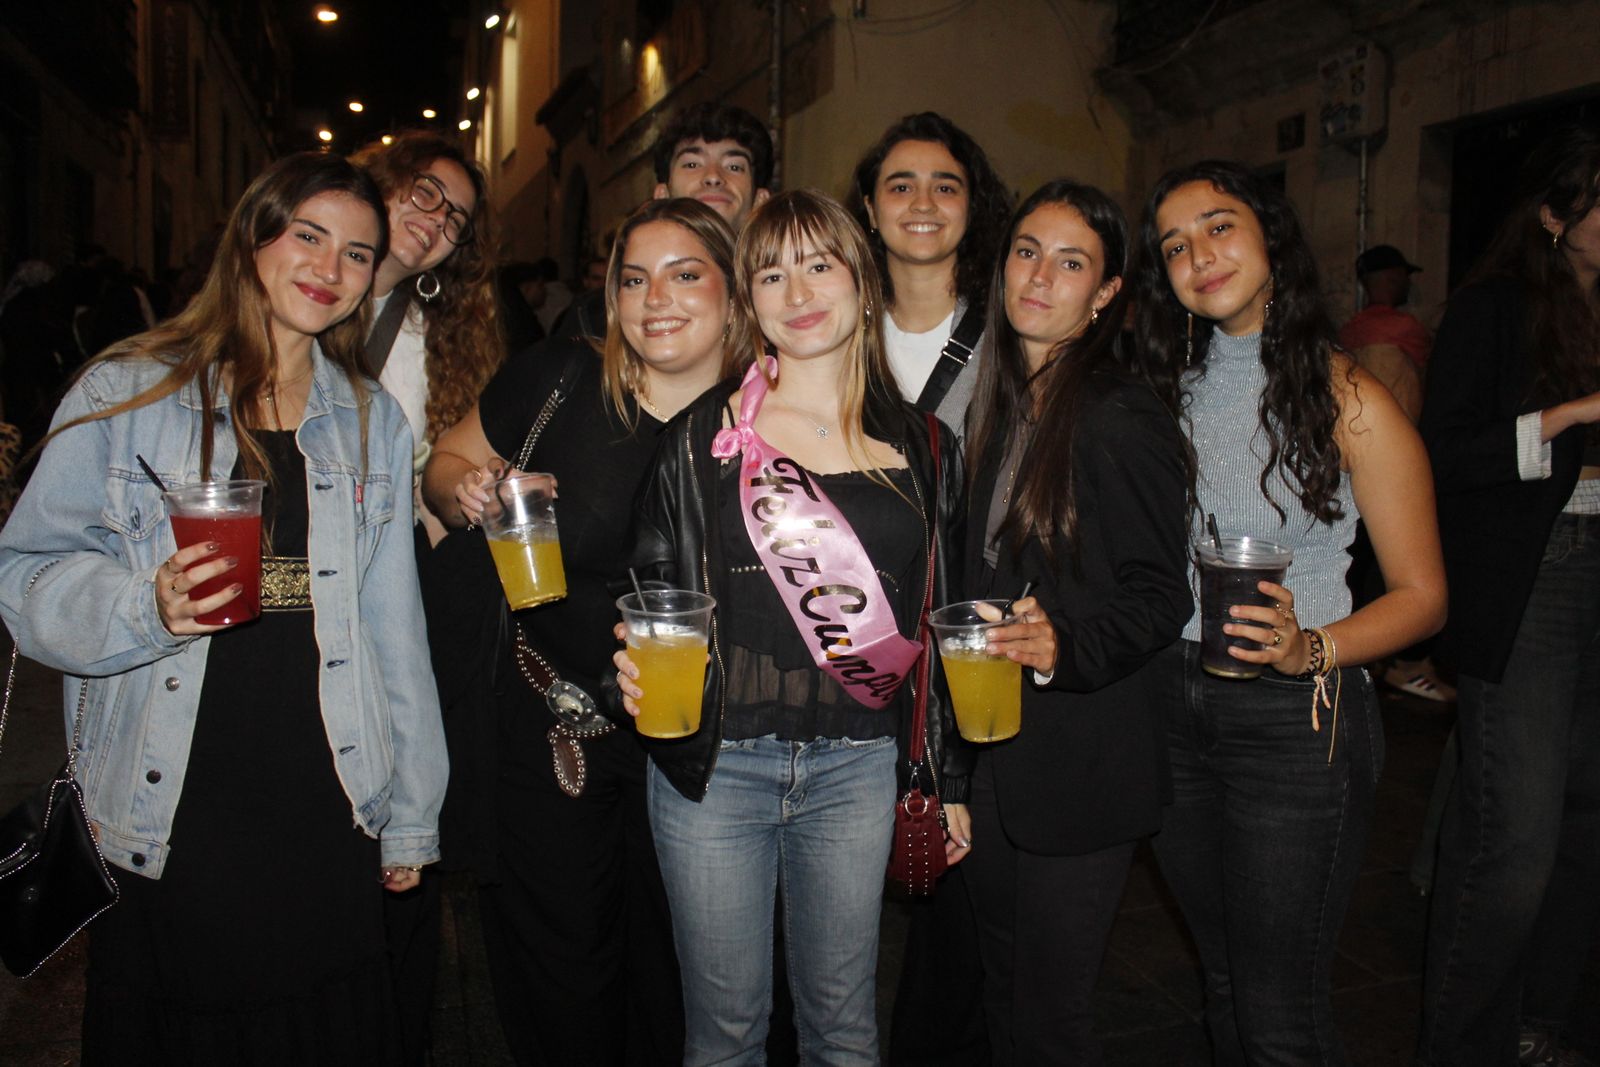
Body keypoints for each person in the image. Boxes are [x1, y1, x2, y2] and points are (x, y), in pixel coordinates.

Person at [0, 151, 445, 1060]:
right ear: (253, 238)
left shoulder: (371, 422)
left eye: (359, 254)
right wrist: (143, 603)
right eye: (309, 236)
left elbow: (395, 630)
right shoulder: (130, 391)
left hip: (325, 787)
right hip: (174, 796)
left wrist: (411, 810)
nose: (330, 268)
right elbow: (26, 575)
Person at [610, 189, 971, 1065]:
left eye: (819, 263)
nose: (798, 289)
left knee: (844, 1031)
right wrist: (632, 659)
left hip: (858, 766)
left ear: (862, 281)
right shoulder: (705, 435)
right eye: (771, 271)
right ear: (749, 299)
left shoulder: (926, 446)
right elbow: (651, 587)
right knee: (726, 1036)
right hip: (716, 766)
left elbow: (944, 616)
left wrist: (947, 773)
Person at [1133, 160, 1447, 1064]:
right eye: (1177, 245)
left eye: (1221, 226)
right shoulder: (1169, 390)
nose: (1201, 254)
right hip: (1177, 703)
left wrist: (1312, 646)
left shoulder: (1352, 396)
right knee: (1224, 977)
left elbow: (1426, 596)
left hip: (1297, 718)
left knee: (1280, 1010)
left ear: (1271, 235)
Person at [420, 197, 742, 1065]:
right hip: (550, 719)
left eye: (685, 274)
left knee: (685, 971)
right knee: (560, 971)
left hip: (695, 741)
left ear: (733, 291)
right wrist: (470, 489)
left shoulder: (765, 419)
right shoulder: (559, 375)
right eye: (634, 277)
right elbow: (444, 467)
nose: (656, 298)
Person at [960, 180, 1192, 1065]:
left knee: (1051, 1018)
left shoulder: (1118, 412)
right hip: (994, 749)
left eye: (1071, 262)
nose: (1040, 276)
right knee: (1004, 991)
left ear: (1105, 295)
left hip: (1084, 762)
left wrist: (1065, 645)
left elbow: (1161, 593)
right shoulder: (1000, 401)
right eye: (1027, 251)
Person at [1416, 122, 1600, 1067]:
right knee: (1512, 844)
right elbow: (1441, 455)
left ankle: (1543, 1025)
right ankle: (1463, 1045)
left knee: (1584, 828)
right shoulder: (1495, 309)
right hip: (1539, 576)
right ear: (1555, 216)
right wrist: (1569, 416)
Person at [350, 128, 501, 1064]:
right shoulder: (299, 287)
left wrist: (448, 513)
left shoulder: (440, 330)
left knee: (401, 807)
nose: (433, 215)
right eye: (422, 188)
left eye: (455, 215)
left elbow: (446, 462)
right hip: (291, 584)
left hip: (394, 574)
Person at [555, 101, 775, 341]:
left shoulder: (780, 307)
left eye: (734, 166)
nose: (713, 177)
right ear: (662, 195)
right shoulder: (596, 321)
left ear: (760, 199)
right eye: (692, 164)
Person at [851, 112, 1012, 436]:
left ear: (971, 207)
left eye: (945, 188)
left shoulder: (1007, 332)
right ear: (871, 209)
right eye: (901, 187)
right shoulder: (841, 331)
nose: (923, 204)